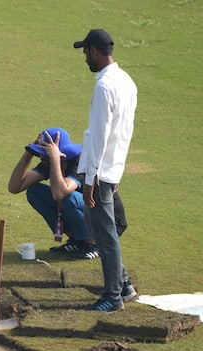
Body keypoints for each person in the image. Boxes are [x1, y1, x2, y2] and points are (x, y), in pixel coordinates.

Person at [73, 29, 138, 311]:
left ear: (95, 52)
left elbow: (100, 135)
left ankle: (113, 296)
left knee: (104, 235)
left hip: (99, 173)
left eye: (86, 52)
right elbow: (123, 132)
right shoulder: (127, 81)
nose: (85, 58)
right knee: (104, 232)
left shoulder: (104, 87)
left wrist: (90, 178)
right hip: (111, 169)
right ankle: (123, 285)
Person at [8, 127, 129, 260]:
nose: (41, 156)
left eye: (44, 153)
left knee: (68, 197)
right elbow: (15, 187)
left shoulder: (81, 162)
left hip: (110, 224)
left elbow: (59, 193)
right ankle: (77, 240)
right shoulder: (49, 161)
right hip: (88, 212)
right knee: (34, 192)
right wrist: (29, 153)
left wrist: (54, 159)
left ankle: (93, 245)